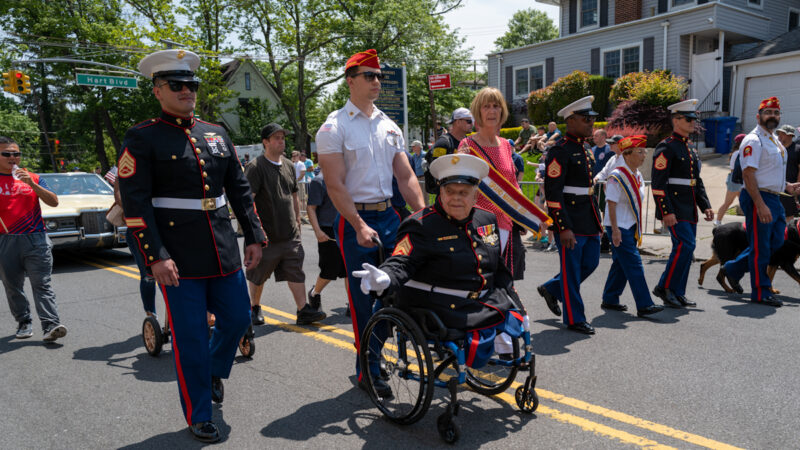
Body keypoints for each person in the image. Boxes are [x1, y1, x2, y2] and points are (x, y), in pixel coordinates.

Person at [117, 49, 266, 443]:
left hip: (222, 248)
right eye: (177, 85)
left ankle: (216, 369)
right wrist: (155, 256)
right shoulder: (142, 136)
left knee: (236, 320)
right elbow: (136, 207)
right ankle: (199, 413)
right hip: (177, 257)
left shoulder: (216, 133)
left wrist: (253, 234)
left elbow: (239, 189)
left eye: (192, 85)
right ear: (157, 91)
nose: (187, 91)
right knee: (190, 339)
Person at [315, 49, 425, 394]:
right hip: (355, 219)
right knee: (364, 299)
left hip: (390, 215)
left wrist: (422, 214)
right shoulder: (334, 127)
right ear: (350, 81)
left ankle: (372, 354)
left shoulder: (389, 125)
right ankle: (368, 368)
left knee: (398, 291)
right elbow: (334, 184)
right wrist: (359, 225)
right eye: (369, 76)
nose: (377, 81)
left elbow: (406, 177)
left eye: (379, 75)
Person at [354, 153, 526, 351]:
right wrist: (385, 278)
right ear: (440, 193)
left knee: (517, 321)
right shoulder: (421, 224)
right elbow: (402, 261)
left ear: (476, 196)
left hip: (485, 303)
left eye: (463, 192)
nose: (456, 198)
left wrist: (514, 301)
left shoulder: (486, 219)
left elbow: (498, 267)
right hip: (445, 309)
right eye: (450, 191)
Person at [720, 98, 800, 306]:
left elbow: (770, 173)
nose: (772, 116)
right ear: (759, 116)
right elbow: (748, 175)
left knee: (776, 242)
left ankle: (732, 268)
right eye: (768, 112)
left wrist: (787, 186)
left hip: (774, 197)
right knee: (761, 247)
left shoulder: (774, 139)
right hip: (759, 197)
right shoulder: (753, 140)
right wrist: (759, 204)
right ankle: (761, 291)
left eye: (776, 112)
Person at [245, 123, 326, 326]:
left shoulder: (289, 165)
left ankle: (303, 310)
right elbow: (248, 201)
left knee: (295, 270)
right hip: (267, 236)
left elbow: (294, 196)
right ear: (266, 142)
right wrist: (255, 232)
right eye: (276, 138)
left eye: (283, 138)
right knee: (258, 275)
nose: (281, 141)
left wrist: (298, 221)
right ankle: (254, 307)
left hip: (290, 235)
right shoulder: (256, 167)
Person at [535, 96, 603, 335]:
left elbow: (589, 189)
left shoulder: (585, 149)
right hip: (571, 219)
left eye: (593, 119)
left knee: (592, 262)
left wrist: (598, 218)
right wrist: (562, 227)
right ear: (571, 120)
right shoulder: (560, 150)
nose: (591, 123)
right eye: (586, 119)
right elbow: (553, 194)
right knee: (572, 271)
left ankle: (552, 288)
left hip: (589, 217)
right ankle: (574, 318)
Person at [0, 136, 67, 342]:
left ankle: (51, 325)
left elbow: (54, 201)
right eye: (7, 154)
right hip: (6, 239)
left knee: (42, 284)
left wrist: (31, 184)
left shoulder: (33, 177)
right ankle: (24, 321)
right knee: (13, 286)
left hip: (36, 239)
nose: (13, 157)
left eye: (16, 153)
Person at [457, 87, 528, 280]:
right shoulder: (467, 146)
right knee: (482, 280)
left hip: (505, 223)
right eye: (486, 106)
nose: (492, 111)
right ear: (478, 111)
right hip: (478, 225)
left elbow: (513, 185)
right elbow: (460, 189)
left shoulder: (506, 145)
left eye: (496, 106)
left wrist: (525, 216)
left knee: (503, 281)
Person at [650, 99, 714, 309]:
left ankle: (678, 291)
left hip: (688, 207)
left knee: (686, 249)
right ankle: (664, 286)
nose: (693, 123)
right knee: (686, 246)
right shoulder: (666, 147)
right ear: (676, 120)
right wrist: (665, 211)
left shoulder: (690, 149)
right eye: (688, 119)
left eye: (694, 119)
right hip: (675, 206)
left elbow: (697, 181)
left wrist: (705, 205)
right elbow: (659, 185)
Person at [599, 135, 664, 317]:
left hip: (630, 225)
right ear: (627, 154)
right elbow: (611, 204)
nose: (644, 155)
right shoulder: (617, 176)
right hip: (618, 225)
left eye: (644, 151)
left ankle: (610, 298)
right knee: (635, 264)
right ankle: (645, 304)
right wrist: (615, 230)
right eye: (640, 152)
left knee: (621, 264)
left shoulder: (637, 175)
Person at [306, 170, 347, 312]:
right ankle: (314, 293)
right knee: (329, 270)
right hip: (328, 229)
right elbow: (311, 208)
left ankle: (352, 303)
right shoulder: (319, 181)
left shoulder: (347, 177)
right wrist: (318, 231)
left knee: (349, 270)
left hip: (347, 226)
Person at [424, 107, 473, 194]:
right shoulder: (443, 143)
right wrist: (457, 157)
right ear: (458, 122)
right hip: (446, 195)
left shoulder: (469, 142)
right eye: (469, 121)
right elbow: (437, 169)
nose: (472, 124)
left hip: (464, 192)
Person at [714, 134, 746, 226]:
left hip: (738, 180)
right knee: (728, 202)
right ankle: (718, 221)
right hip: (736, 180)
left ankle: (749, 223)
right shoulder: (739, 153)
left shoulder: (738, 152)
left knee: (744, 203)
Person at [776, 125, 799, 217]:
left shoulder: (797, 149)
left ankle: (785, 231)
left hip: (790, 189)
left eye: (783, 134)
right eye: (779, 133)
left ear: (790, 135)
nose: (779, 136)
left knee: (788, 215)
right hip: (776, 186)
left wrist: (797, 187)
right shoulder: (776, 149)